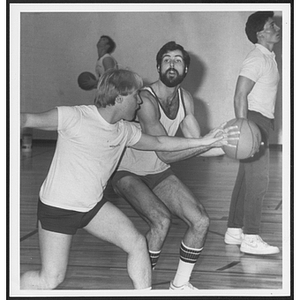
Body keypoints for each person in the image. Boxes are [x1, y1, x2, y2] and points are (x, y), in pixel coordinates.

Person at [20, 68, 237, 290]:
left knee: (137, 244)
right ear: (120, 97)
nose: (140, 103)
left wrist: (205, 142)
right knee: (50, 279)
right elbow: (25, 118)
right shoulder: (74, 116)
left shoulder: (124, 130)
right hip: (59, 208)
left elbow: (161, 143)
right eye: (136, 96)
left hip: (93, 206)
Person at [111, 41, 237, 290]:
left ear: (185, 70)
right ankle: (142, 289)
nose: (172, 64)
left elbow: (196, 146)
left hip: (157, 170)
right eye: (167, 59)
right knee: (160, 220)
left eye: (178, 60)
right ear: (158, 66)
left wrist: (230, 146)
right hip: (127, 171)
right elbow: (167, 153)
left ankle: (179, 285)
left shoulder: (186, 99)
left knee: (200, 220)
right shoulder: (145, 99)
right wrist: (207, 142)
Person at [224, 11, 281, 255]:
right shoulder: (257, 58)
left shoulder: (267, 56)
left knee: (246, 180)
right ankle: (251, 237)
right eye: (271, 25)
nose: (277, 27)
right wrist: (243, 127)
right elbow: (239, 94)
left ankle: (235, 230)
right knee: (259, 181)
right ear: (260, 33)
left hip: (262, 122)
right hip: (254, 122)